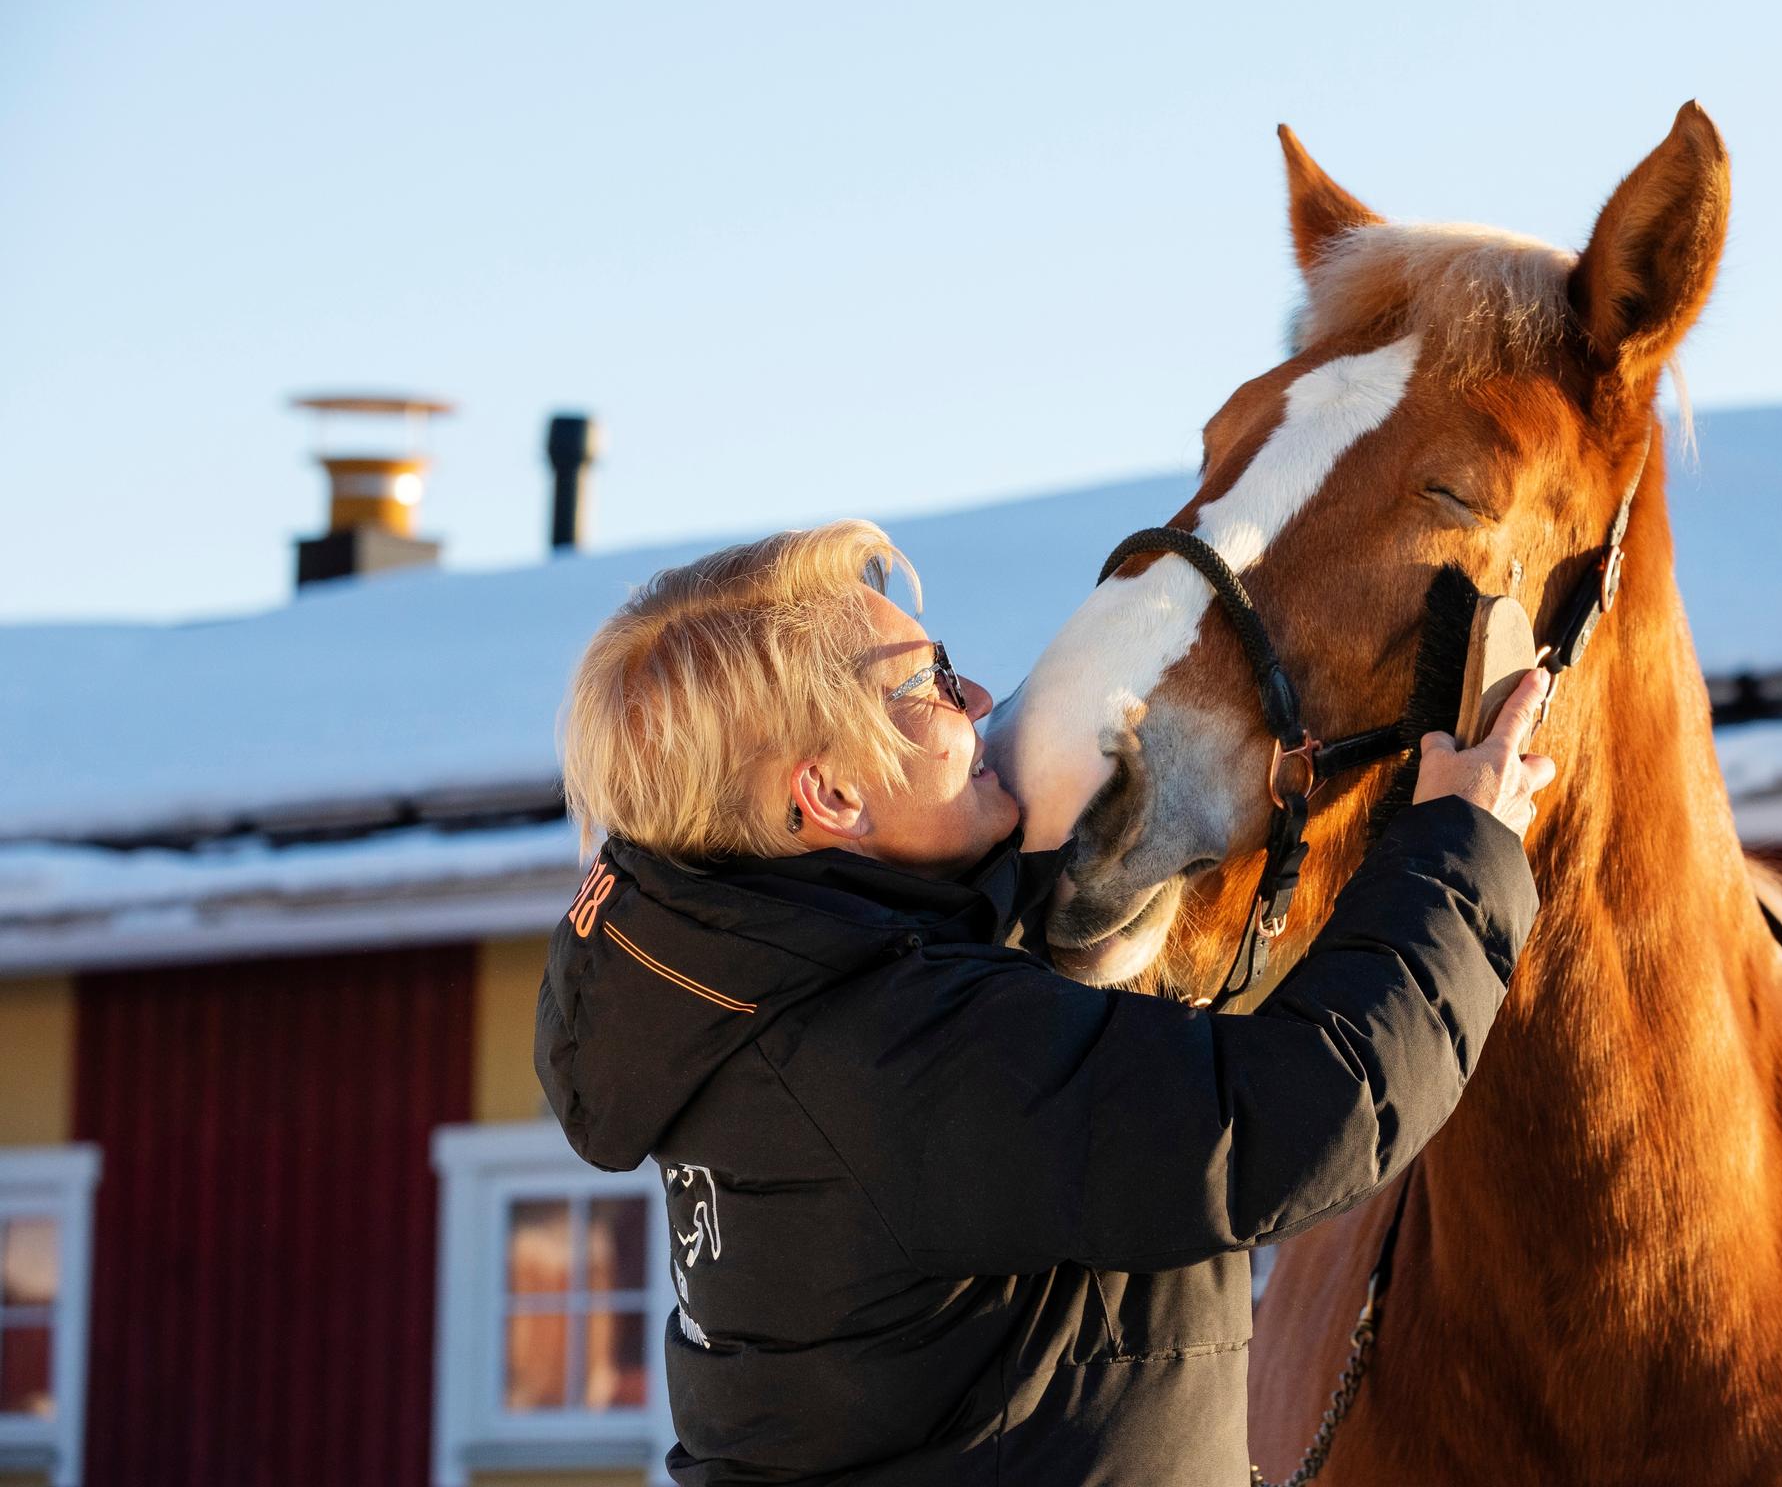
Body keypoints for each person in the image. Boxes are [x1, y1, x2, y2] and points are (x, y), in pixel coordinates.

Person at [537, 520, 1553, 1487]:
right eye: (927, 687)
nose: (979, 698)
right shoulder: (909, 1055)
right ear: (832, 798)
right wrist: (1458, 852)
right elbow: (1306, 1111)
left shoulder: (750, 1015)